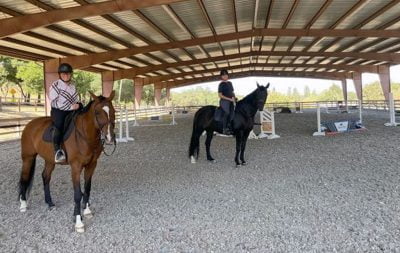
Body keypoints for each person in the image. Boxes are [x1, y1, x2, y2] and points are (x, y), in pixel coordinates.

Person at [48, 63, 80, 163]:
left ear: (71, 74)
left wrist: (79, 104)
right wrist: (71, 106)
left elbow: (76, 98)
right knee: (59, 125)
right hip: (59, 111)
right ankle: (57, 151)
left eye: (68, 74)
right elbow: (53, 101)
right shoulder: (55, 86)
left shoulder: (73, 86)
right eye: (63, 74)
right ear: (60, 75)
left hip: (72, 109)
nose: (66, 75)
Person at [218, 69, 237, 135]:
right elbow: (220, 95)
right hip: (224, 101)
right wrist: (229, 99)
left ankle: (230, 127)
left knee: (232, 113)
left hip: (231, 100)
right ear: (221, 77)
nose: (225, 76)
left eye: (226, 75)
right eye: (223, 75)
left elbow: (232, 92)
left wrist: (234, 98)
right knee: (227, 112)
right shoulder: (221, 84)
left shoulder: (230, 83)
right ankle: (224, 129)